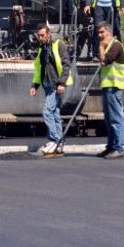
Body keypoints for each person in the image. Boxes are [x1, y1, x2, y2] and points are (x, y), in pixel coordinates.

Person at [30, 24, 73, 156]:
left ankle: (55, 140)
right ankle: (59, 143)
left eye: (43, 35)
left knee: (47, 111)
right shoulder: (42, 48)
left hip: (56, 84)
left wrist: (61, 83)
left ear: (48, 33)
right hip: (47, 85)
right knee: (54, 113)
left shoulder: (58, 44)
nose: (40, 38)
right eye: (39, 36)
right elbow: (39, 68)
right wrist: (35, 85)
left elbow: (66, 65)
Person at [95, 21, 124, 159]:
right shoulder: (109, 46)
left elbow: (105, 61)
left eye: (102, 32)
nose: (99, 35)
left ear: (109, 31)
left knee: (115, 118)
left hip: (114, 86)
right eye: (98, 33)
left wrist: (102, 47)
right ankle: (111, 146)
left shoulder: (115, 45)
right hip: (108, 85)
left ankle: (118, 148)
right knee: (109, 119)